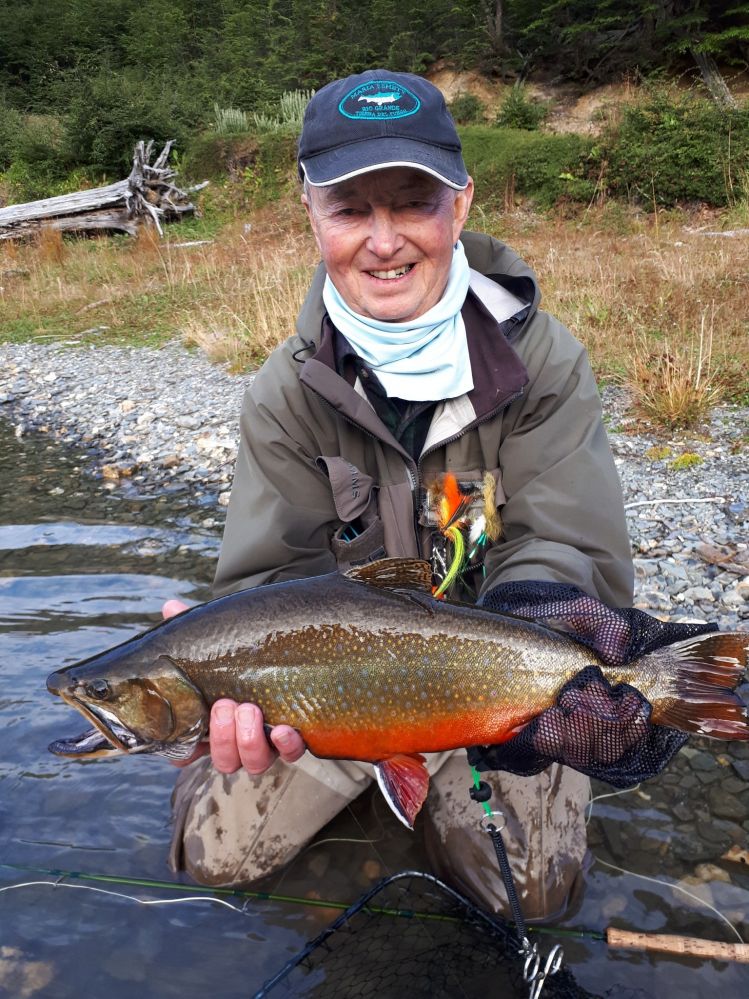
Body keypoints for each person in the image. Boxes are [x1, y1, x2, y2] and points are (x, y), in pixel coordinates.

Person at [164, 69, 637, 921]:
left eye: (410, 203)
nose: (382, 241)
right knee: (215, 855)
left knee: (526, 895)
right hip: (334, 698)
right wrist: (215, 667)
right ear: (311, 217)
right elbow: (266, 580)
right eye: (350, 210)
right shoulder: (284, 392)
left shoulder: (543, 364)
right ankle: (382, 795)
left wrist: (542, 635)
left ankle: (418, 803)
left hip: (496, 679)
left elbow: (568, 545)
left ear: (458, 207)